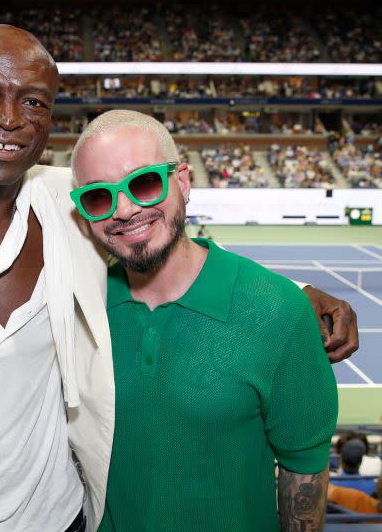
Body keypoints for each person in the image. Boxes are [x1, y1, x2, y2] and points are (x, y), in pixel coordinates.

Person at [0, 25, 359, 532]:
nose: (8, 119)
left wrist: (290, 298)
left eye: (32, 101)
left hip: (54, 516)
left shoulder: (71, 200)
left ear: (49, 119)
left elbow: (159, 232)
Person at [69, 109, 337, 531]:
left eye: (144, 183)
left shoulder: (280, 311)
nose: (123, 209)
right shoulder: (76, 307)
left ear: (184, 182)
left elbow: (302, 473)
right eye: (99, 196)